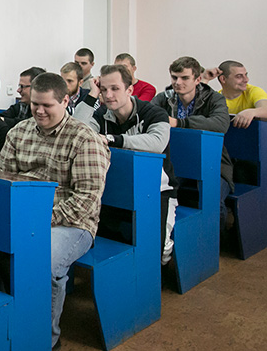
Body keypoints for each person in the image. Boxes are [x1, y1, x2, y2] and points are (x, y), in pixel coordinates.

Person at [0, 73, 109, 351]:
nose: (39, 111)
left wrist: (36, 221)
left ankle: (45, 337)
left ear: (65, 101)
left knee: (44, 261)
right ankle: (6, 312)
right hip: (21, 214)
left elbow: (86, 200)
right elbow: (3, 178)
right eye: (35, 105)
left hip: (72, 223)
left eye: (47, 106)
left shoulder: (85, 139)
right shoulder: (20, 131)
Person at [74, 64, 178, 265]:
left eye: (115, 88)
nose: (108, 95)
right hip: (114, 188)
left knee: (157, 248)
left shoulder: (153, 113)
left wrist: (114, 139)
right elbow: (77, 129)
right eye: (104, 89)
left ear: (129, 90)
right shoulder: (101, 115)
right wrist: (93, 94)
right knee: (107, 237)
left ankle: (161, 271)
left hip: (156, 190)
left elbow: (157, 143)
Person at [151, 56, 233, 232]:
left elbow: (221, 124)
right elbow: (147, 117)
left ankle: (215, 244)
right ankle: (166, 240)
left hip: (213, 163)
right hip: (174, 162)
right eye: (174, 77)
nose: (178, 82)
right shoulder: (164, 98)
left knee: (213, 201)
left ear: (197, 79)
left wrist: (180, 123)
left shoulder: (214, 98)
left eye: (185, 78)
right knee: (154, 191)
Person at [202, 60, 267, 129]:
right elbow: (196, 108)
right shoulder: (216, 98)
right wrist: (205, 79)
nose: (246, 80)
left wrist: (252, 112)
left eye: (246, 75)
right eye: (239, 76)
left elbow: (265, 109)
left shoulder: (253, 91)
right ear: (223, 79)